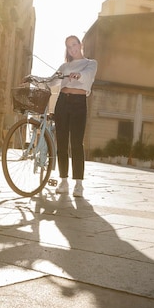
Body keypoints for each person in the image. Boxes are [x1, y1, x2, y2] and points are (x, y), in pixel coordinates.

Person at [50, 36, 97, 197]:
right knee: (61, 142)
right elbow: (53, 82)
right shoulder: (64, 66)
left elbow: (88, 75)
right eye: (69, 47)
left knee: (76, 143)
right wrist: (39, 81)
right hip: (62, 101)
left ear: (80, 45)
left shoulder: (90, 64)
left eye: (74, 45)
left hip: (79, 103)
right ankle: (63, 181)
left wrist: (78, 74)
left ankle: (78, 184)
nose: (72, 49)